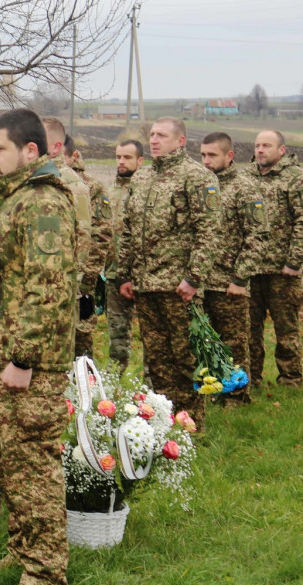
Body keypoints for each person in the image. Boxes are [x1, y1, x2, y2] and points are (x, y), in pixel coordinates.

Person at [0, 108, 76, 585]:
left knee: (33, 465)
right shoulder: (12, 199)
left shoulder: (43, 203)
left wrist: (23, 359)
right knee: (8, 463)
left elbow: (48, 289)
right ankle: (25, 548)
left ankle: (46, 572)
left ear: (32, 150)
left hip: (25, 363)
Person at [115, 117, 219, 424]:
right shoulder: (142, 176)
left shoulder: (197, 177)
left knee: (186, 355)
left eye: (161, 135)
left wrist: (193, 278)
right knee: (157, 357)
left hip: (179, 286)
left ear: (181, 141)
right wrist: (125, 274)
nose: (154, 140)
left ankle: (190, 420)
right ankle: (162, 419)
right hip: (146, 285)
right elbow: (129, 229)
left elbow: (210, 231)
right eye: (152, 135)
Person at [200, 132, 268, 405]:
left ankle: (237, 397)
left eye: (212, 155)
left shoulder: (245, 188)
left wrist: (240, 278)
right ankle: (210, 391)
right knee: (205, 342)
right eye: (203, 155)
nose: (206, 161)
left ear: (229, 156)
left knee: (234, 343)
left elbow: (258, 237)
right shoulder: (198, 185)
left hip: (229, 282)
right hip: (199, 281)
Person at [246, 130, 303, 388]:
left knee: (286, 329)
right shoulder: (245, 177)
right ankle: (250, 378)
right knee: (249, 330)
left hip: (282, 270)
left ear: (282, 150)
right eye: (257, 145)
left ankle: (290, 380)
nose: (260, 150)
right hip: (250, 269)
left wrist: (294, 261)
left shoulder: (296, 178)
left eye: (267, 145)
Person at [41, 119, 100, 359]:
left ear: (55, 146)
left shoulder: (71, 184)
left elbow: (82, 240)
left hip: (56, 290)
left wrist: (72, 289)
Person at [106, 140, 144, 370]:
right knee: (116, 335)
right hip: (113, 273)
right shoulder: (109, 191)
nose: (121, 161)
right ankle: (113, 383)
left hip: (142, 274)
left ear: (140, 160)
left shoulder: (144, 191)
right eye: (118, 156)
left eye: (127, 157)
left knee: (151, 334)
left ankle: (151, 392)